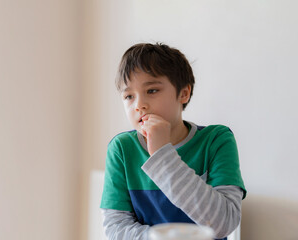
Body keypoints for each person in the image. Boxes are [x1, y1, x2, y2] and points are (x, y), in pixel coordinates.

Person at [100, 42, 246, 240]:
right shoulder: (122, 148)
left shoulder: (216, 140)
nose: (139, 105)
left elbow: (223, 223)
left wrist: (162, 154)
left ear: (183, 93)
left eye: (151, 91)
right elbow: (115, 228)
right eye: (128, 96)